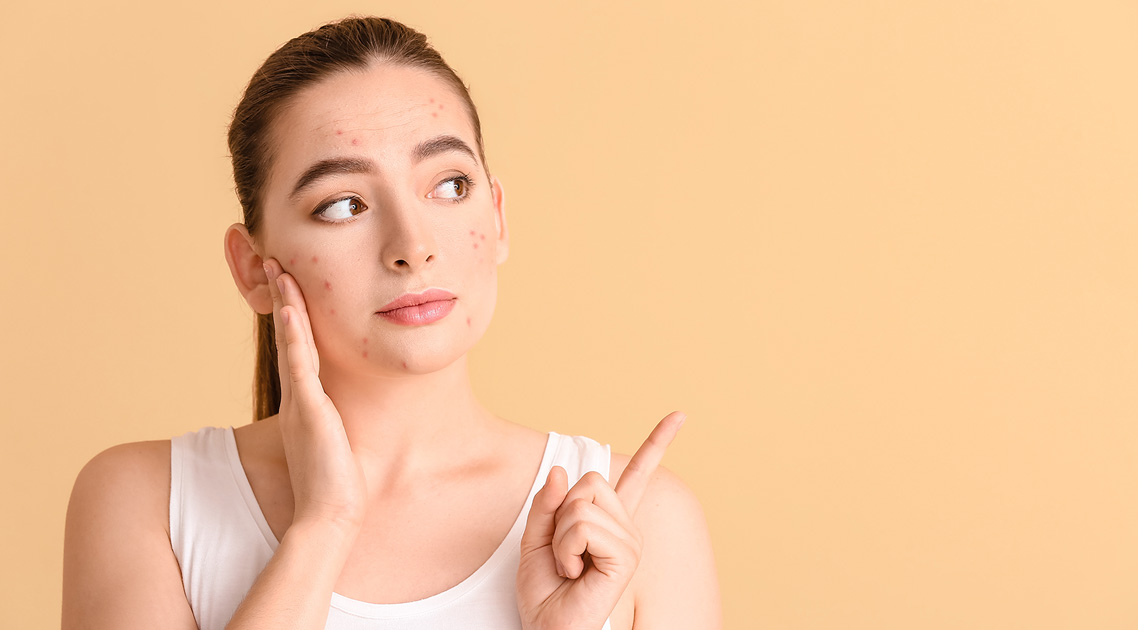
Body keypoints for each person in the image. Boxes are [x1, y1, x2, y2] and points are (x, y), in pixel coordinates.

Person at [61, 15, 721, 630]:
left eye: (449, 185)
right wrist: (322, 528)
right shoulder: (148, 501)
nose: (412, 243)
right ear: (253, 268)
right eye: (344, 204)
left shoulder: (640, 525)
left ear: (496, 219)